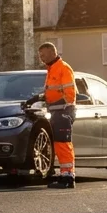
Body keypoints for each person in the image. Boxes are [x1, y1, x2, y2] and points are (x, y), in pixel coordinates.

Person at [33, 41, 78, 189]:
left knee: (63, 144)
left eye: (44, 55)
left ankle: (68, 177)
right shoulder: (51, 69)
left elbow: (69, 95)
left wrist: (54, 104)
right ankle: (64, 174)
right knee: (59, 144)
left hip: (64, 111)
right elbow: (51, 92)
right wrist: (38, 98)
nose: (42, 58)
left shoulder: (63, 68)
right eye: (40, 56)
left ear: (53, 53)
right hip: (56, 111)